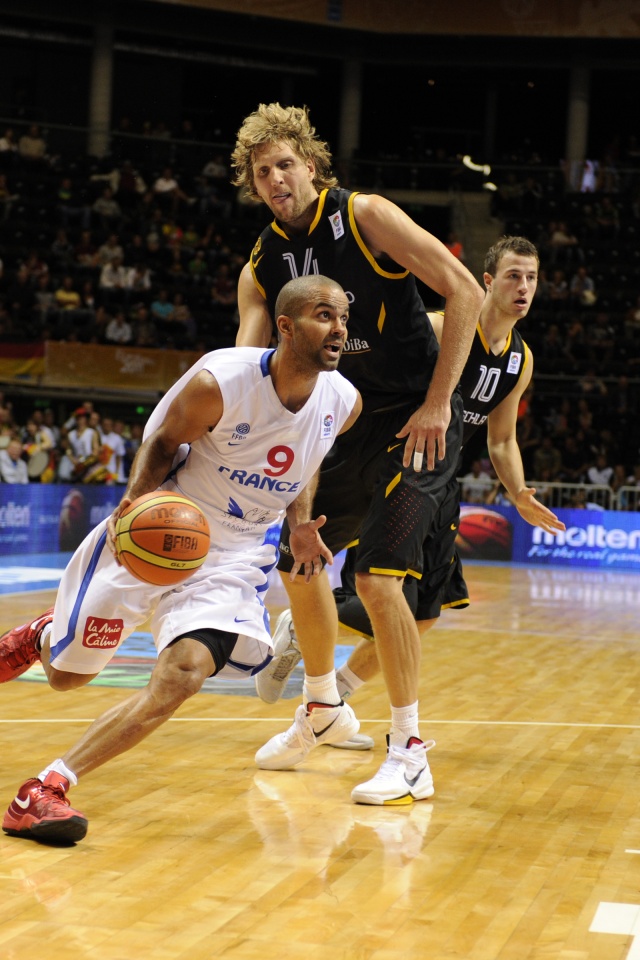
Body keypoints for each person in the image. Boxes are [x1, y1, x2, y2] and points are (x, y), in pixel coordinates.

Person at [0, 275, 361, 843]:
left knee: (184, 673)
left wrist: (298, 526)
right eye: (323, 315)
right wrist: (134, 510)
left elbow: (307, 460)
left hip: (234, 557)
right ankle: (45, 636)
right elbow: (164, 442)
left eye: (342, 317)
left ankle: (44, 788)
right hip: (158, 530)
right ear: (286, 327)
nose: (338, 328)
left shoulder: (343, 401)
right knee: (65, 678)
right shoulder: (223, 381)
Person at [232, 101, 485, 805]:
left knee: (378, 583)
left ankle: (408, 752)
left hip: (417, 417)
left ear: (312, 166)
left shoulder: (365, 214)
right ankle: (321, 706)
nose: (276, 177)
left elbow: (464, 289)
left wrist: (440, 402)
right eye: (262, 172)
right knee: (299, 556)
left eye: (285, 163)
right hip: (341, 421)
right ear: (254, 188)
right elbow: (248, 369)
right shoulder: (262, 265)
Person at [257, 237, 566, 744]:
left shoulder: (520, 359)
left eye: (531, 278)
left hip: (434, 478)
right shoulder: (441, 326)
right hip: (379, 461)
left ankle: (330, 695)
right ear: (486, 282)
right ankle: (367, 708)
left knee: (421, 615)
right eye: (513, 276)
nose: (524, 288)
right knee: (349, 573)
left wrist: (519, 491)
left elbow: (503, 438)